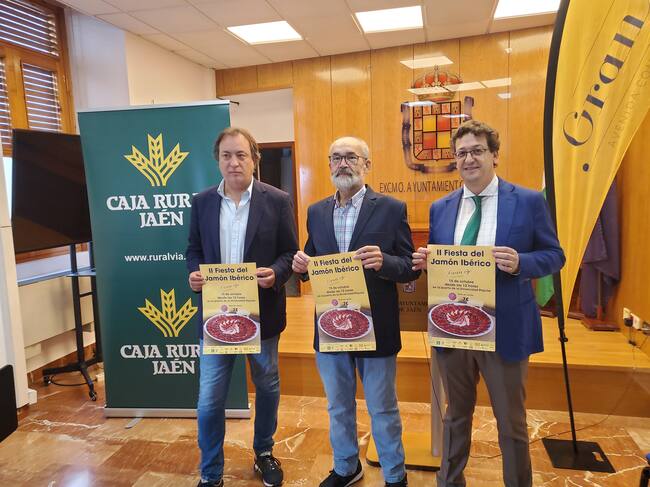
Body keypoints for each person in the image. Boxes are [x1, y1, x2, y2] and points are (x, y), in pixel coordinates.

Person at [412, 120, 565, 487]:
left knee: (511, 422)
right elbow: (443, 259)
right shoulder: (441, 207)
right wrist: (428, 260)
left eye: (477, 151)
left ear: (495, 155)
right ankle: (449, 482)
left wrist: (522, 262)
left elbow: (554, 255)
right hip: (454, 327)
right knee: (455, 416)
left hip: (505, 329)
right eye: (462, 153)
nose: (469, 159)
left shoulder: (528, 201)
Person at [292, 136, 419, 487]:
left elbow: (410, 266)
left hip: (376, 328)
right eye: (335, 157)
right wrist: (301, 266)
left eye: (350, 157)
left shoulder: (391, 208)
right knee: (338, 407)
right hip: (330, 325)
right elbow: (311, 259)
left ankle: (394, 476)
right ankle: (347, 468)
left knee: (382, 408)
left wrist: (385, 261)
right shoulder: (316, 211)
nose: (342, 164)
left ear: (367, 164)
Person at [186, 127, 298, 487]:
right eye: (226, 155)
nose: (233, 162)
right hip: (216, 317)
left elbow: (289, 252)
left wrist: (276, 273)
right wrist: (193, 274)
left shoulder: (277, 200)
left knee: (267, 387)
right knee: (209, 400)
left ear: (254, 159)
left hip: (262, 316)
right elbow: (194, 250)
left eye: (241, 155)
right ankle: (211, 473)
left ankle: (264, 452)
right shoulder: (202, 202)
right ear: (218, 160)